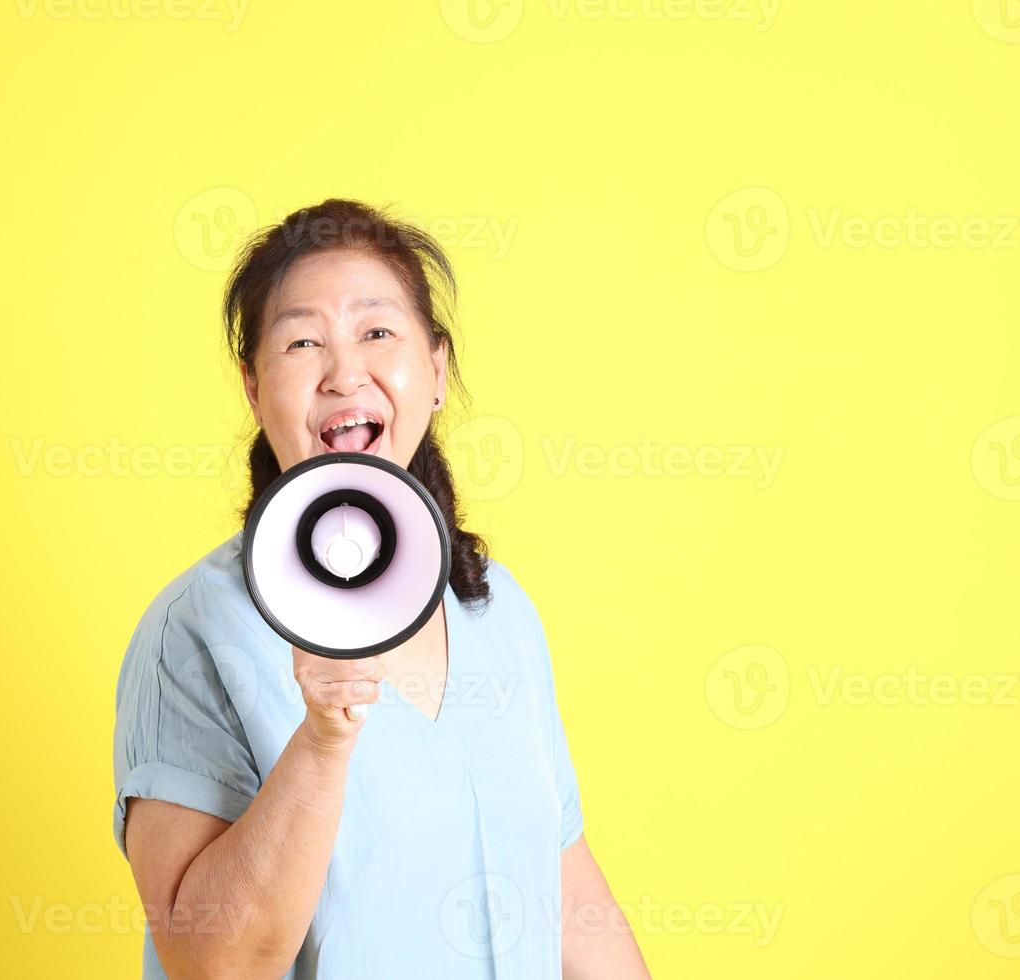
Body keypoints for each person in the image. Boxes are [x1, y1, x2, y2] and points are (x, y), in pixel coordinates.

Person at [112, 199, 651, 978]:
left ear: (434, 370)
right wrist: (324, 737)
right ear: (255, 390)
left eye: (376, 332)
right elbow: (213, 965)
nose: (343, 374)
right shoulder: (194, 631)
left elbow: (570, 899)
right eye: (302, 342)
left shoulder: (497, 609)